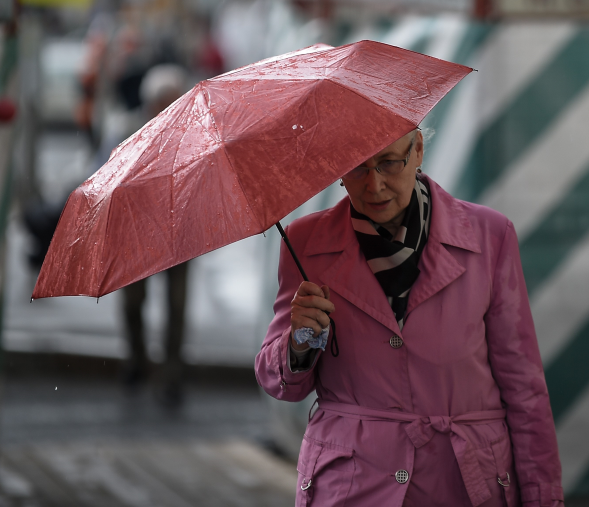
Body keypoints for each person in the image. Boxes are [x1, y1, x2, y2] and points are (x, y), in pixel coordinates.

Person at [255, 129, 562, 507]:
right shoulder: (305, 243)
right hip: (350, 484)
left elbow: (524, 387)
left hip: (464, 483)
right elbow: (281, 384)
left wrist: (543, 499)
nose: (375, 184)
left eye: (389, 163)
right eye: (357, 169)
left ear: (417, 149)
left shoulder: (491, 235)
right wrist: (300, 342)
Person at [121, 64, 190, 404]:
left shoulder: (193, 135)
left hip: (181, 233)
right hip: (139, 232)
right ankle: (136, 360)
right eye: (165, 103)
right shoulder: (130, 131)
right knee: (133, 302)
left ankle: (172, 374)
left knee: (176, 307)